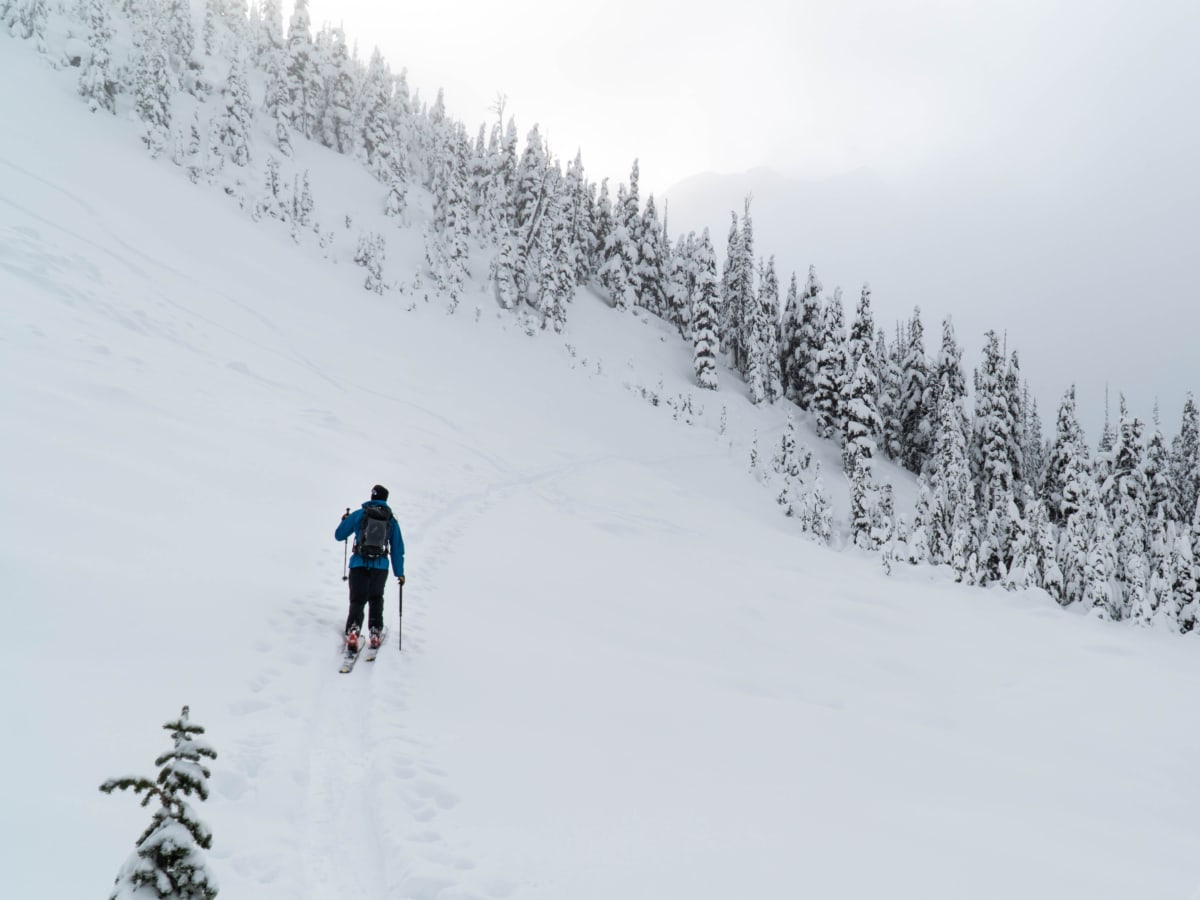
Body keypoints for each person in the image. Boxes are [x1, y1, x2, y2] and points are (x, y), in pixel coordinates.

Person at [335, 484, 405, 651]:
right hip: (380, 566)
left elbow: (339, 535)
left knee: (357, 599)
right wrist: (400, 573)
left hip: (358, 563)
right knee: (376, 597)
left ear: (372, 497)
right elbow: (397, 548)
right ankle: (374, 631)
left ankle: (353, 630)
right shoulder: (391, 520)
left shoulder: (360, 514)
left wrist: (344, 520)